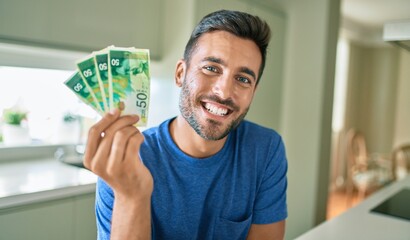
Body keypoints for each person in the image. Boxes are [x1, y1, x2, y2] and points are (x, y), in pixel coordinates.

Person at [84, 9, 288, 240]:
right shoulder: (125, 161)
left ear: (253, 91)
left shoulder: (266, 148)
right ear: (181, 73)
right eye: (211, 68)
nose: (224, 91)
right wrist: (133, 197)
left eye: (243, 79)